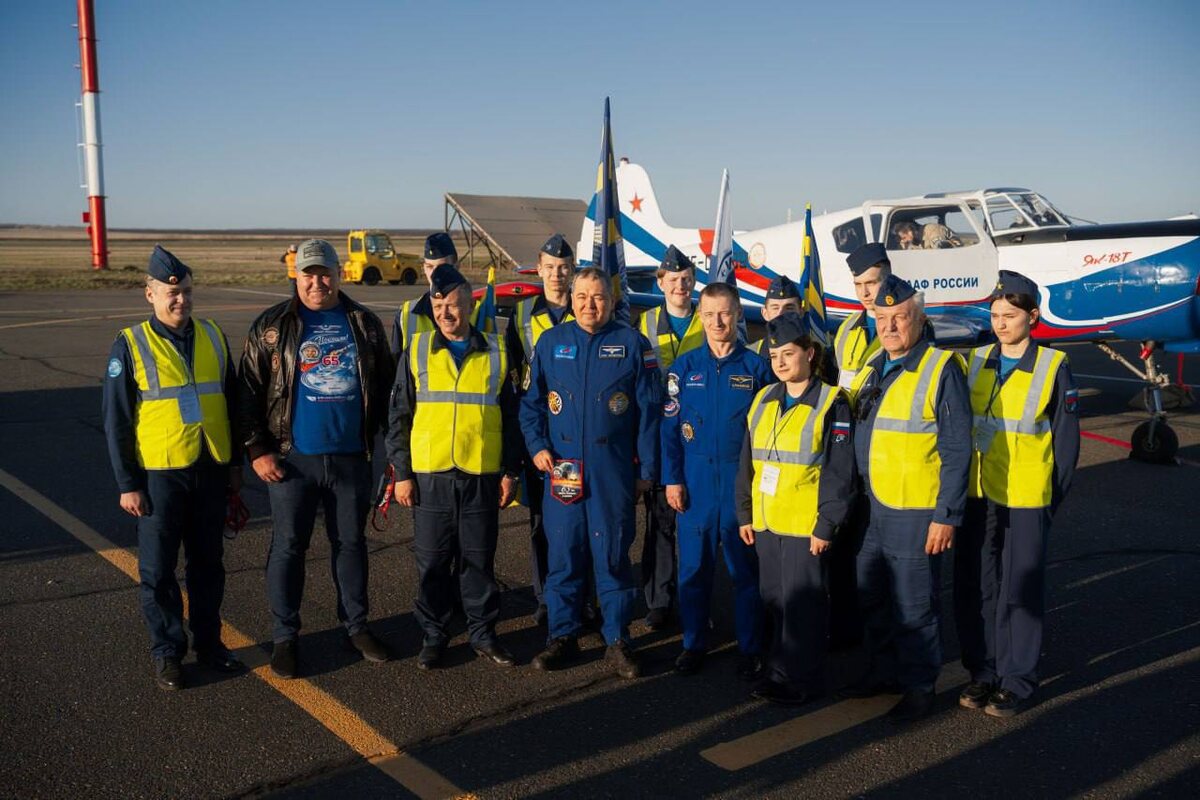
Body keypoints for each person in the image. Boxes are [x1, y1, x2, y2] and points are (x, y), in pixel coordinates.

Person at [237, 238, 395, 679]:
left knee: (351, 544)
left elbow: (386, 390)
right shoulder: (271, 326)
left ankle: (357, 626)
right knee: (289, 546)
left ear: (338, 274)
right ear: (296, 276)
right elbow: (247, 391)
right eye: (308, 274)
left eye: (324, 273)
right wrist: (257, 450)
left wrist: (392, 452)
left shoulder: (363, 323)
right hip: (292, 462)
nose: (317, 282)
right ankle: (285, 636)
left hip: (351, 459)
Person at [102, 245, 245, 690]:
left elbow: (233, 403)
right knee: (159, 571)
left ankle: (210, 645)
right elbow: (116, 419)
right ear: (150, 294)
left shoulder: (213, 336)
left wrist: (235, 465)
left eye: (186, 291)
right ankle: (167, 653)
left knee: (208, 564)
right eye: (171, 293)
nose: (181, 299)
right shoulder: (130, 344)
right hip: (160, 476)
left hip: (210, 467)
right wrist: (128, 483)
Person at [838, 273, 971, 723]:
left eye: (899, 317)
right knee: (871, 593)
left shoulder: (940, 368)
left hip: (914, 510)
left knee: (914, 605)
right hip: (872, 506)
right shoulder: (875, 365)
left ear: (919, 318)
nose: (890, 327)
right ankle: (884, 671)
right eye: (882, 318)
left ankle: (919, 685)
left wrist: (946, 515)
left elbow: (957, 448)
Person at [519, 268, 662, 679]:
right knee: (564, 555)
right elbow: (531, 404)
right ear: (571, 299)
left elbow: (649, 414)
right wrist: (538, 447)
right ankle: (562, 635)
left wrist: (646, 470)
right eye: (581, 296)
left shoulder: (633, 344)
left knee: (612, 555)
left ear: (612, 301)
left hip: (611, 472)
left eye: (598, 297)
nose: (589, 305)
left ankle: (617, 639)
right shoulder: (551, 343)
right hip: (562, 468)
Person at [954, 270, 1079, 717]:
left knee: (1019, 588)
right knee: (977, 585)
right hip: (978, 492)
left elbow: (1066, 444)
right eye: (995, 315)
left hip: (1025, 497)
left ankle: (1017, 679)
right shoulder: (975, 360)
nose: (1001, 323)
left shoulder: (1052, 366)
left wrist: (1050, 500)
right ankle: (983, 670)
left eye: (1010, 315)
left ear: (1033, 316)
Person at [387, 264, 522, 669]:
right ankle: (434, 634)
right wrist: (401, 474)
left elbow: (512, 418)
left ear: (470, 305)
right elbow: (399, 416)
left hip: (481, 474)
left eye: (453, 305)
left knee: (478, 560)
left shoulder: (497, 351)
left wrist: (510, 471)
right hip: (430, 475)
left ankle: (483, 634)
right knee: (432, 561)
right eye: (438, 306)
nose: (445, 313)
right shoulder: (417, 350)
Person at [736, 312, 856, 705]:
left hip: (806, 526)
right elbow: (747, 463)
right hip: (768, 522)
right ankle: (778, 673)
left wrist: (827, 524)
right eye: (774, 356)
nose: (780, 363)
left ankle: (803, 680)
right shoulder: (763, 399)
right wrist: (745, 513)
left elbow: (840, 472)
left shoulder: (831, 402)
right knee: (775, 601)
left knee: (803, 606)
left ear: (810, 353)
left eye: (788, 354)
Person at [662, 283, 774, 678]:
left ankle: (750, 647)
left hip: (739, 485)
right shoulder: (683, 369)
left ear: (739, 313)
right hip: (695, 485)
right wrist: (672, 479)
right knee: (694, 570)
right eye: (709, 314)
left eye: (724, 313)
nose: (717, 322)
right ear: (700, 317)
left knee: (745, 573)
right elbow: (670, 430)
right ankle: (693, 643)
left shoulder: (757, 369)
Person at [504, 233, 576, 625]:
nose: (557, 274)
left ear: (572, 270)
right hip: (537, 435)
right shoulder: (521, 315)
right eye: (550, 267)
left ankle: (578, 595)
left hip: (574, 434)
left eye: (563, 268)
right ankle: (546, 596)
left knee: (574, 519)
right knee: (540, 522)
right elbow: (514, 378)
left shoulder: (585, 308)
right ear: (539, 268)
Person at [636, 244, 704, 629]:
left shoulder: (708, 319)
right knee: (659, 523)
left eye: (686, 279)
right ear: (660, 283)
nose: (681, 285)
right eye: (673, 279)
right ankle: (659, 600)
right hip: (660, 438)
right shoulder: (644, 324)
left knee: (696, 526)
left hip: (699, 438)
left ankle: (697, 600)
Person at [390, 232, 458, 359]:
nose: (434, 274)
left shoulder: (476, 312)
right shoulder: (406, 314)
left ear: (456, 266)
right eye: (430, 267)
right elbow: (397, 363)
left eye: (441, 267)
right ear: (424, 268)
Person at [747, 276, 802, 357]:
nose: (781, 314)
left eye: (789, 308)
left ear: (801, 312)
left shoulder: (818, 355)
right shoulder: (750, 356)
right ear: (765, 313)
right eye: (775, 308)